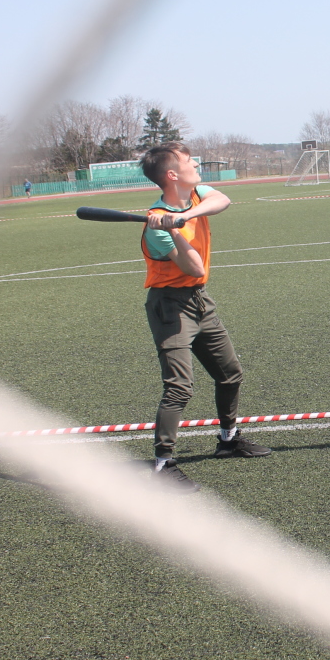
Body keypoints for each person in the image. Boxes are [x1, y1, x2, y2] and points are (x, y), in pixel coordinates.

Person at [138, 141, 270, 490]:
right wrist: (170, 229)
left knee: (230, 374)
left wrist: (184, 217)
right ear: (171, 174)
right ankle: (163, 464)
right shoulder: (156, 227)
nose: (195, 163)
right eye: (187, 160)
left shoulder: (196, 195)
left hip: (200, 302)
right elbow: (194, 267)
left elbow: (222, 200)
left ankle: (228, 439)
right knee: (179, 388)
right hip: (171, 306)